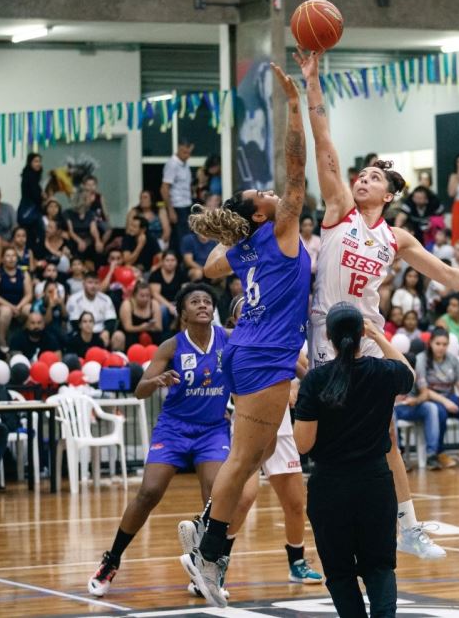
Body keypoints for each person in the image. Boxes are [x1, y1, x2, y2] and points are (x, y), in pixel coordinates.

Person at [297, 49, 459, 561]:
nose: (361, 179)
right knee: (324, 440)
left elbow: (446, 274)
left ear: (389, 194)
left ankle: (409, 527)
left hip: (371, 338)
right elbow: (324, 142)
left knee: (386, 437)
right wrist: (312, 81)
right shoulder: (338, 210)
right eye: (360, 175)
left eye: (373, 177)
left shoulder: (396, 238)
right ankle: (327, 532)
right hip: (327, 337)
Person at [181, 62, 309, 609]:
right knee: (243, 461)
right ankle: (208, 549)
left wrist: (234, 232)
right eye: (263, 194)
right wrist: (295, 105)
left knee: (254, 455)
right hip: (265, 355)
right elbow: (297, 167)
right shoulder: (280, 231)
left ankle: (206, 531)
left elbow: (211, 266)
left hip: (246, 350)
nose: (273, 191)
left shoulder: (245, 247)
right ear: (261, 216)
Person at [88, 285, 231, 597]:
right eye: (195, 301)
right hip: (174, 428)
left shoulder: (228, 339)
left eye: (207, 301)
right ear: (183, 313)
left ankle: (205, 567)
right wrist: (157, 380)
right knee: (149, 492)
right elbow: (140, 391)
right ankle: (112, 560)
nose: (203, 305)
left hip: (212, 430)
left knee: (216, 496)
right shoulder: (171, 345)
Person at [294, 304, 415, 618]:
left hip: (330, 487)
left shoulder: (316, 380)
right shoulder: (384, 372)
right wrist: (378, 335)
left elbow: (303, 444)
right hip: (375, 483)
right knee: (379, 566)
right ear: (362, 333)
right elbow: (408, 374)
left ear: (328, 336)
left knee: (340, 572)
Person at [416, 328, 459, 468]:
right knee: (440, 412)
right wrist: (445, 402)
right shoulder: (421, 359)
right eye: (438, 344)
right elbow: (424, 390)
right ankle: (439, 453)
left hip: (449, 396)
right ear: (430, 343)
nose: (441, 347)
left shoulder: (452, 359)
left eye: (444, 344)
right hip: (431, 399)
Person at [0, 247, 32, 350]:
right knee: (6, 311)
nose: (11, 258)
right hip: (2, 304)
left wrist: (18, 307)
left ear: (17, 259)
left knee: (29, 309)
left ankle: (26, 340)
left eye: (13, 256)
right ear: (2, 259)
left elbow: (29, 294)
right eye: (8, 256)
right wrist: (11, 307)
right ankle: (2, 342)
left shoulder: (23, 273)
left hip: (19, 305)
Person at [67, 274, 121, 348]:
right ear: (84, 284)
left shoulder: (106, 299)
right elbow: (74, 322)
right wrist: (90, 334)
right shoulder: (74, 299)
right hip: (82, 332)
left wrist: (106, 331)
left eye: (96, 283)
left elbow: (111, 319)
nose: (93, 286)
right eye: (90, 282)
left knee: (119, 336)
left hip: (101, 332)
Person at [163, 138, 195, 252]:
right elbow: (164, 188)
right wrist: (170, 210)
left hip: (186, 204)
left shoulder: (185, 165)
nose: (187, 156)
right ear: (179, 148)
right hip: (177, 206)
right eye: (185, 152)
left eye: (189, 153)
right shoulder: (172, 164)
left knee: (184, 236)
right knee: (182, 238)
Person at [119, 282, 163, 347]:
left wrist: (148, 327)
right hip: (131, 335)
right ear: (134, 295)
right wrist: (141, 328)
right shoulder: (127, 304)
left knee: (158, 337)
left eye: (147, 295)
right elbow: (127, 327)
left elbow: (159, 328)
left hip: (150, 334)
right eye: (142, 296)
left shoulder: (154, 304)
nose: (145, 299)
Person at [150, 250, 185, 325]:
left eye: (172, 260)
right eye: (167, 260)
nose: (170, 263)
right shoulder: (155, 275)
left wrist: (178, 305)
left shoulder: (182, 274)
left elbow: (185, 292)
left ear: (177, 262)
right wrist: (170, 306)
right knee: (162, 309)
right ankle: (165, 331)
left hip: (177, 302)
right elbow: (155, 294)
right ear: (162, 262)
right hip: (161, 303)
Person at [18, 153, 44, 245]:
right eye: (35, 161)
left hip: (31, 210)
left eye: (39, 161)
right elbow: (35, 195)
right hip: (30, 211)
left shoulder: (34, 176)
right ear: (30, 163)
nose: (38, 164)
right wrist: (43, 196)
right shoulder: (30, 176)